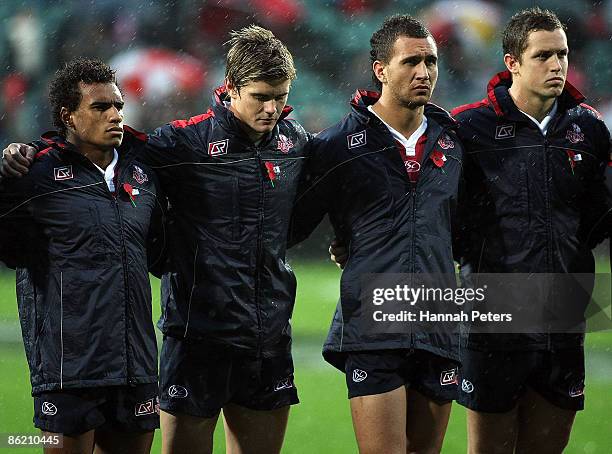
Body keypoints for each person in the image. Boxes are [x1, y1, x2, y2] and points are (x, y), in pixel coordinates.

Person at [2, 26, 310, 454]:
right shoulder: (181, 143)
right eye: (261, 96)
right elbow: (91, 155)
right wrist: (30, 151)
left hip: (268, 335)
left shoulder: (297, 145)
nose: (273, 108)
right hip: (194, 334)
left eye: (281, 97)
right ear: (232, 88)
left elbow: (326, 199)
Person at [290, 15, 463, 454]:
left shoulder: (456, 141)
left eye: (431, 61)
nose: (424, 73)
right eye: (411, 62)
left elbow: (468, 224)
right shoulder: (335, 146)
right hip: (373, 325)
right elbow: (292, 226)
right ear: (381, 70)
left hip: (437, 322)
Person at [451, 8, 611, 453]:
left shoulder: (589, 128)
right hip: (493, 315)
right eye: (543, 55)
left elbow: (599, 216)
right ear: (512, 62)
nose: (557, 64)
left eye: (562, 53)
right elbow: (440, 211)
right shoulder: (468, 127)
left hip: (564, 311)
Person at [0, 58, 165, 454]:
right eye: (100, 107)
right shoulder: (32, 174)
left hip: (135, 363)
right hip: (67, 367)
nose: (115, 115)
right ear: (67, 116)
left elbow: (162, 252)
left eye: (119, 106)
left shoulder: (142, 173)